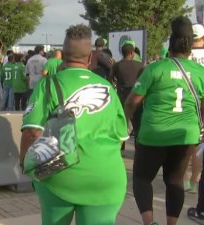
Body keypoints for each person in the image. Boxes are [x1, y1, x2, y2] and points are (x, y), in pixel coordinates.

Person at [20, 24, 128, 225]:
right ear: (89, 59)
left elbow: (32, 132)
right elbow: (122, 138)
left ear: (62, 57)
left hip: (60, 176)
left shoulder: (49, 84)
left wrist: (24, 164)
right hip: (106, 177)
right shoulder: (107, 87)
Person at [124, 16, 204, 225]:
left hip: (153, 133)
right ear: (189, 47)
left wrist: (125, 123)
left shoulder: (154, 69)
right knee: (175, 181)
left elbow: (131, 102)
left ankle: (149, 222)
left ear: (169, 45)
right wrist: (200, 125)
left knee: (142, 178)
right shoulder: (201, 73)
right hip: (186, 134)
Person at [187, 24, 204, 224]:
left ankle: (188, 181)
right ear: (203, 37)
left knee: (195, 146)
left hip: (192, 106)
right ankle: (194, 181)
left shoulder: (185, 58)